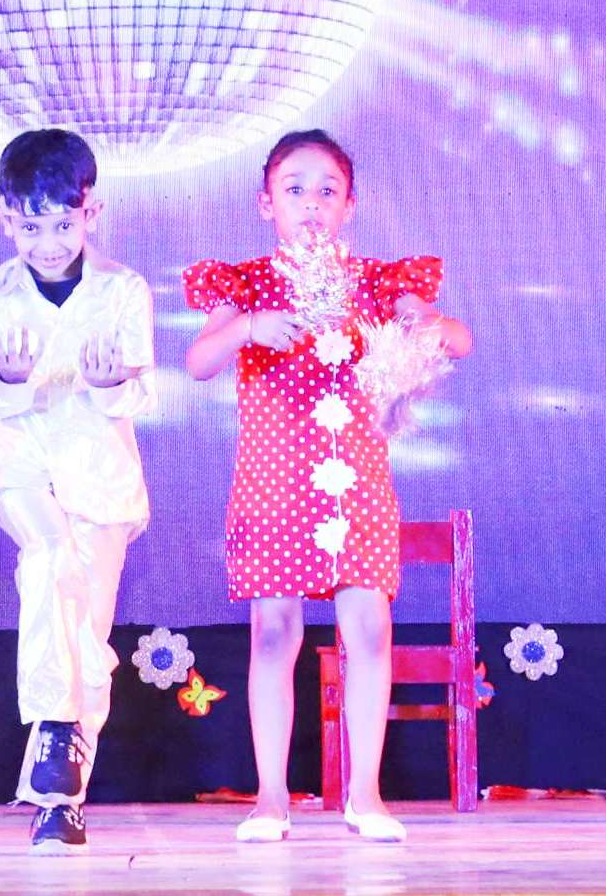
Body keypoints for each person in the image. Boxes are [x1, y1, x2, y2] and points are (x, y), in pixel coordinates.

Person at [183, 129, 469, 844]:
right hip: (274, 482)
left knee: (368, 628)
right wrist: (249, 327)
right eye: (294, 190)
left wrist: (423, 332)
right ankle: (270, 799)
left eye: (327, 191)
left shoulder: (376, 283)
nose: (311, 204)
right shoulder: (247, 284)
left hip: (355, 482)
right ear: (266, 203)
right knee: (273, 633)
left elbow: (456, 339)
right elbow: (199, 361)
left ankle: (364, 794)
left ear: (350, 205)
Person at [0, 129, 155, 853]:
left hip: (101, 480)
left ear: (91, 211)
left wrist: (108, 386)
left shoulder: (125, 290)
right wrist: (8, 382)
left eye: (63, 225)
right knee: (48, 558)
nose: (47, 243)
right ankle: (57, 733)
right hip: (23, 470)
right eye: (30, 227)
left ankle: (61, 797)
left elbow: (140, 394)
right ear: (5, 218)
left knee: (85, 636)